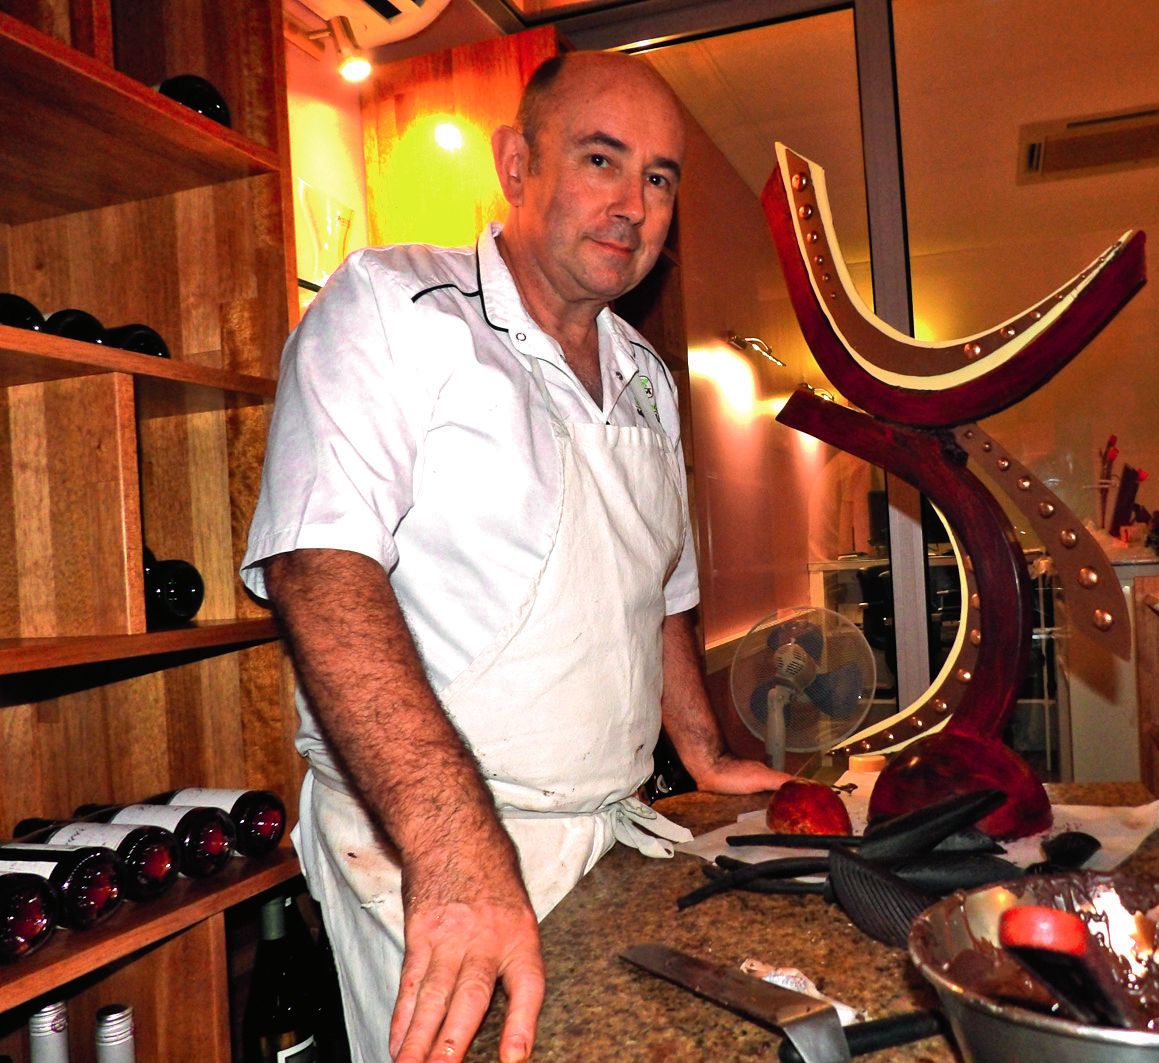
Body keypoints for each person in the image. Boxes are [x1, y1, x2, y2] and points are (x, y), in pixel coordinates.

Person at [241, 51, 789, 1063]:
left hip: (611, 829)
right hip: (425, 846)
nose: (631, 203)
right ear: (517, 163)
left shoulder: (646, 378)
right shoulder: (391, 307)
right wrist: (452, 852)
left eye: (658, 177)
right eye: (599, 159)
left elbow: (653, 587)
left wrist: (702, 748)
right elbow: (317, 568)